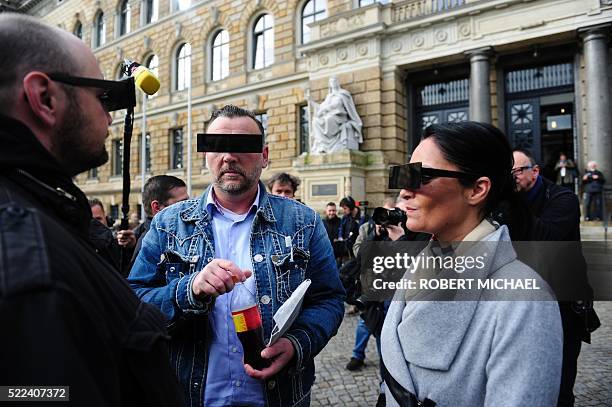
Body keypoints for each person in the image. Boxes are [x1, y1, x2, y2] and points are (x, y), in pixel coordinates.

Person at [0, 13, 183, 405]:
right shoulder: (29, 261)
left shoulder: (39, 210)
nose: (111, 115)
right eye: (102, 96)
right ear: (45, 99)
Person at [129, 105, 345, 407]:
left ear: (264, 156)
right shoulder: (167, 224)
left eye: (243, 145)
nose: (229, 156)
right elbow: (132, 304)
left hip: (279, 397)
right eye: (217, 145)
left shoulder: (304, 223)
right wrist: (188, 290)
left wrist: (296, 344)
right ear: (206, 156)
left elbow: (330, 299)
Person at [381, 122, 562, 406]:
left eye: (421, 176)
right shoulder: (419, 266)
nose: (404, 191)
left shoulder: (525, 299)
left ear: (477, 189)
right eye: (402, 175)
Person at [513, 148, 597, 406]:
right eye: (505, 174)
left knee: (559, 384)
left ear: (534, 171)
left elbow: (545, 238)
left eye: (515, 172)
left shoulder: (563, 198)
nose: (510, 178)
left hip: (563, 305)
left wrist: (511, 204)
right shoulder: (506, 201)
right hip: (521, 302)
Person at [345, 197, 396, 371]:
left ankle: (387, 369)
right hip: (371, 282)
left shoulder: (401, 231)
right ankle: (357, 355)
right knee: (365, 320)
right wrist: (375, 235)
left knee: (386, 325)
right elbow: (359, 252)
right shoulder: (367, 228)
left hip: (392, 286)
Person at [131, 175, 188, 264]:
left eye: (188, 202)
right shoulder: (149, 247)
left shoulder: (171, 236)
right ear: (157, 207)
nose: (189, 208)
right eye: (182, 203)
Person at [310, 77, 363, 153]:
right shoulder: (329, 96)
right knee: (315, 121)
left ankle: (328, 145)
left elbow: (345, 106)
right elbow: (321, 107)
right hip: (330, 116)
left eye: (334, 81)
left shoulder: (343, 94)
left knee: (329, 119)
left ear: (337, 82)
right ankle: (322, 145)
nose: (333, 83)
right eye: (331, 82)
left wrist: (326, 109)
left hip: (340, 116)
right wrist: (310, 101)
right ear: (330, 84)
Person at [338, 196, 361, 262]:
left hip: (357, 250)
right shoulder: (345, 217)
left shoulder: (362, 217)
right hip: (346, 250)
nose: (343, 210)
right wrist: (340, 237)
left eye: (345, 208)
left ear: (351, 207)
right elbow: (341, 228)